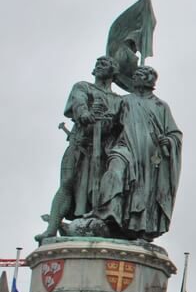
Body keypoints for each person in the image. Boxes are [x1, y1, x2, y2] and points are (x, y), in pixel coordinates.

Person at [35, 56, 122, 242]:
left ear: (114, 72)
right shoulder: (83, 86)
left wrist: (109, 121)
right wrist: (85, 113)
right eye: (98, 63)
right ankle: (51, 229)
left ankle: (96, 224)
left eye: (105, 64)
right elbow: (78, 102)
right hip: (79, 143)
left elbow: (120, 124)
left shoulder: (118, 100)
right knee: (67, 182)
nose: (99, 65)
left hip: (104, 149)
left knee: (100, 189)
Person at [95, 65, 182, 240]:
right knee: (115, 171)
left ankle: (140, 226)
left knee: (145, 191)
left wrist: (170, 141)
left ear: (150, 80)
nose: (135, 77)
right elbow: (108, 124)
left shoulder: (161, 106)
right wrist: (100, 118)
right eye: (135, 75)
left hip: (149, 157)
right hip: (125, 148)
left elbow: (174, 133)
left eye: (140, 74)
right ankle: (109, 215)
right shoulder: (124, 101)